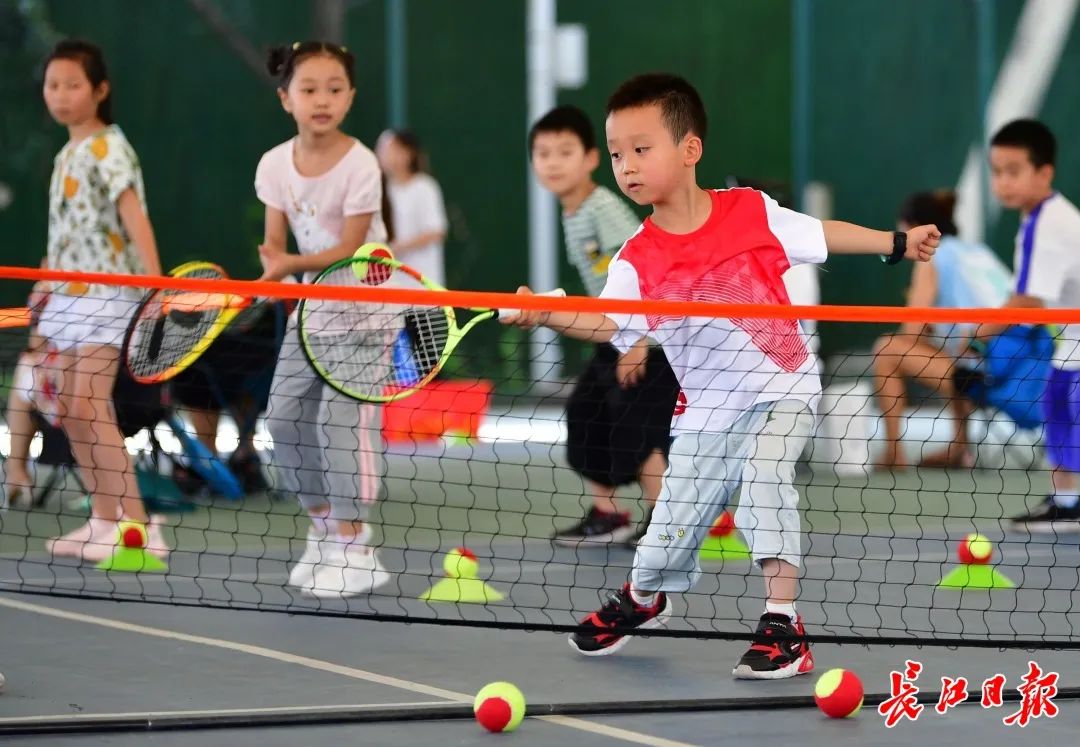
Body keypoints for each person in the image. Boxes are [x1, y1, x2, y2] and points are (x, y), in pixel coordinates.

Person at [501, 73, 939, 678]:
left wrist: (895, 242)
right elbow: (607, 322)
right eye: (618, 153)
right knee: (672, 525)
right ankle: (645, 594)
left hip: (782, 386)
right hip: (708, 408)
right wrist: (544, 312)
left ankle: (783, 623)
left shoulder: (750, 211)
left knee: (765, 477)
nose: (626, 165)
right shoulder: (636, 257)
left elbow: (818, 235)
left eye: (641, 148)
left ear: (689, 149)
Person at [256, 41, 391, 598]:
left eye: (335, 89)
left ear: (351, 96)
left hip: (367, 316)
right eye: (309, 89)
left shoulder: (362, 164)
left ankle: (358, 546)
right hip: (312, 316)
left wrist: (287, 265)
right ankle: (325, 531)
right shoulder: (273, 165)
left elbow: (351, 248)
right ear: (286, 98)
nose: (323, 100)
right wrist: (270, 275)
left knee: (337, 426)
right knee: (282, 419)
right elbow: (273, 246)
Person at [35, 39, 166, 561]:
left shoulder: (110, 145)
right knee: (70, 405)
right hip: (67, 296)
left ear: (100, 90)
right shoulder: (66, 152)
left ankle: (139, 527)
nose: (61, 95)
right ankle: (103, 519)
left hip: (110, 293)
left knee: (91, 401)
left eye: (73, 85)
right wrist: (44, 285)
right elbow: (63, 235)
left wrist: (154, 285)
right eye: (53, 85)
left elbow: (134, 216)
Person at [528, 104, 679, 547]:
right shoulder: (573, 211)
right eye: (543, 153)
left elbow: (646, 269)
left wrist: (637, 344)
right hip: (614, 334)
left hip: (645, 338)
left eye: (564, 151)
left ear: (592, 158)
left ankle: (667, 524)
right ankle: (608, 514)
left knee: (642, 430)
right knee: (587, 413)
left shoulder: (602, 208)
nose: (553, 162)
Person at [978, 119, 1080, 531]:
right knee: (1055, 409)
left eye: (1014, 171)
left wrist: (976, 333)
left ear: (1044, 173)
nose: (1003, 182)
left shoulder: (1051, 223)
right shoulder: (1034, 217)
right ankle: (1067, 500)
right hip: (1070, 342)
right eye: (997, 171)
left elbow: (1028, 301)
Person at [873, 190, 1011, 469]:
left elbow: (911, 331)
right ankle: (959, 447)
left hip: (987, 373)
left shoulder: (931, 258)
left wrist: (920, 315)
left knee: (887, 349)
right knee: (951, 352)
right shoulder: (977, 251)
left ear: (911, 228)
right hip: (1022, 368)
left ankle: (894, 453)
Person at [376, 129, 448, 287]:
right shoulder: (378, 189)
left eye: (394, 150)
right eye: (383, 150)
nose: (387, 155)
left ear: (408, 153)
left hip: (423, 285)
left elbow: (436, 231)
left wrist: (396, 247)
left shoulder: (425, 186)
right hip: (392, 287)